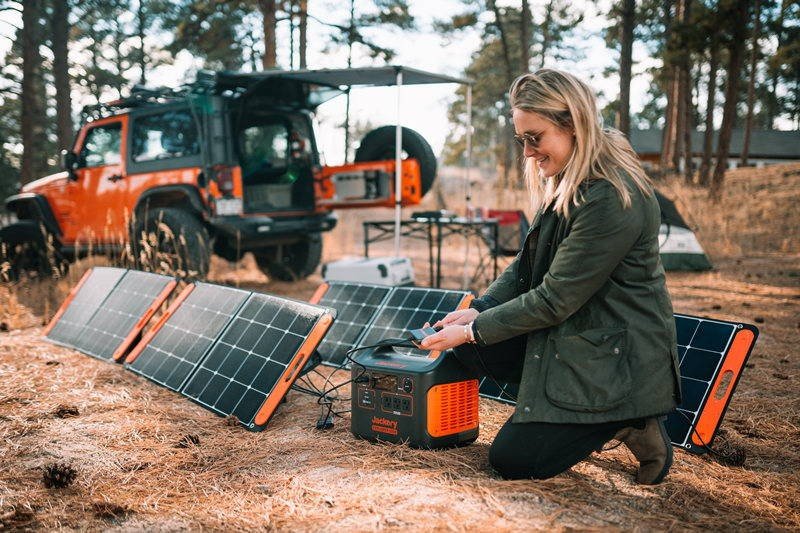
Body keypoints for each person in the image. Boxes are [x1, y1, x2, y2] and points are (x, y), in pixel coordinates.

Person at [420, 69, 681, 485]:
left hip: (614, 356)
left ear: (572, 124)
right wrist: (478, 312)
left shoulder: (611, 196)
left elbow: (555, 299)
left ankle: (625, 416)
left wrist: (476, 329)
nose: (527, 152)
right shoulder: (566, 179)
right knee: (472, 351)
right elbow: (524, 266)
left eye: (534, 138)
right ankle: (566, 407)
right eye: (521, 139)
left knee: (515, 463)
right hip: (574, 333)